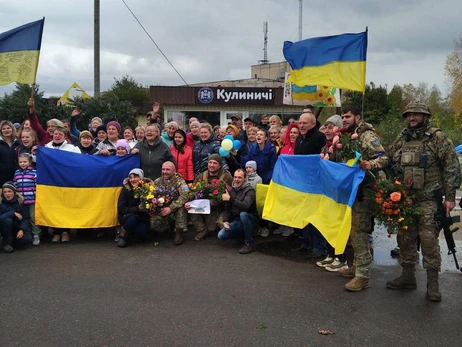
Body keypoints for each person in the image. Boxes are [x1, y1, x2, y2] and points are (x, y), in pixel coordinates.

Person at [386, 102, 461, 301]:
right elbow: (389, 157)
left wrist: (450, 198)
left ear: (425, 116)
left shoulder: (438, 138)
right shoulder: (403, 138)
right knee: (405, 239)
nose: (412, 118)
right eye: (409, 115)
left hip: (429, 199)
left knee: (428, 240)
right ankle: (408, 277)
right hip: (406, 200)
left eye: (416, 115)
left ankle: (433, 284)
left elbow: (452, 167)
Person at [337, 105, 388, 292]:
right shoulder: (346, 136)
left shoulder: (367, 136)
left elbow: (383, 158)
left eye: (348, 116)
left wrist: (370, 164)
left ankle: (363, 276)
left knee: (360, 232)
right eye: (342, 117)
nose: (344, 120)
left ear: (358, 117)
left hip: (365, 191)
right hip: (351, 191)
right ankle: (356, 267)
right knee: (351, 231)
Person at [293, 112, 327, 259]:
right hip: (302, 183)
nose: (301, 126)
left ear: (313, 124)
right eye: (300, 123)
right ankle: (307, 244)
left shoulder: (319, 137)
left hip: (316, 184)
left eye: (304, 123)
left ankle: (319, 247)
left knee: (315, 217)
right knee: (304, 215)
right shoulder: (299, 138)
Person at [45, 126, 81, 243]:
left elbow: (80, 161)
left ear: (65, 136)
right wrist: (35, 153)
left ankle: (66, 231)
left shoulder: (72, 148)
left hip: (67, 182)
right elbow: (37, 161)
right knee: (55, 207)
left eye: (60, 134)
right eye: (56, 133)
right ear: (52, 135)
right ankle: (56, 231)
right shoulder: (46, 148)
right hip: (52, 182)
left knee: (66, 207)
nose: (57, 135)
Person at [185, 154, 233, 241]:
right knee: (190, 208)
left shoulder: (227, 177)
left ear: (220, 165)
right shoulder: (201, 176)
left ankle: (220, 225)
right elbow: (193, 192)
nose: (211, 165)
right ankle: (201, 230)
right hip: (204, 207)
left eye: (215, 163)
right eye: (210, 162)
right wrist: (189, 203)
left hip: (221, 207)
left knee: (219, 226)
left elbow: (233, 193)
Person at [217, 169, 258, 254]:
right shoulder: (231, 190)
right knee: (221, 235)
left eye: (239, 177)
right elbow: (227, 209)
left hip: (250, 219)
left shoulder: (250, 190)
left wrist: (230, 199)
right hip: (237, 221)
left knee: (243, 214)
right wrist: (226, 221)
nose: (236, 179)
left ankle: (249, 243)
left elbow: (245, 206)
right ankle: (241, 236)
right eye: (235, 177)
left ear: (245, 179)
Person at [150, 162, 189, 245]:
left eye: (168, 169)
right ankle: (167, 230)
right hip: (162, 207)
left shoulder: (180, 181)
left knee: (182, 208)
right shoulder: (157, 181)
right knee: (154, 224)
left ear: (174, 171)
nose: (165, 171)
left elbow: (185, 195)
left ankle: (179, 232)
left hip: (175, 208)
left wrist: (171, 208)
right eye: (163, 169)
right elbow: (152, 196)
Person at [117, 169, 152, 248]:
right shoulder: (125, 189)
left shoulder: (148, 188)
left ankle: (132, 234)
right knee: (132, 220)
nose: (132, 180)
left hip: (142, 217)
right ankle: (123, 236)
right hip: (128, 216)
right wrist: (137, 209)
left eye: (135, 177)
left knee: (142, 233)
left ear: (141, 178)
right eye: (130, 177)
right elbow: (121, 208)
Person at [13, 153, 40, 245]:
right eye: (20, 162)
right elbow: (15, 185)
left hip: (32, 200)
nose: (22, 164)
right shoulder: (16, 173)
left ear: (29, 162)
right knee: (24, 218)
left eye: (25, 161)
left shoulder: (34, 172)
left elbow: (38, 186)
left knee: (33, 217)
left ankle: (36, 234)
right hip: (21, 201)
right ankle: (28, 234)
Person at [0, 181, 31, 253]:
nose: (7, 194)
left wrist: (21, 229)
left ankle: (13, 241)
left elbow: (25, 218)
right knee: (8, 221)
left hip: (16, 226)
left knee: (26, 240)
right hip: (3, 226)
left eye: (9, 191)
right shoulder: (1, 202)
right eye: (5, 192)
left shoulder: (19, 202)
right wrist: (12, 213)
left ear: (14, 192)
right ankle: (6, 244)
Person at [0, 120, 20, 187]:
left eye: (8, 128)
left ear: (12, 129)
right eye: (4, 129)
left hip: (17, 178)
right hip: (1, 180)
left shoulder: (19, 143)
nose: (6, 130)